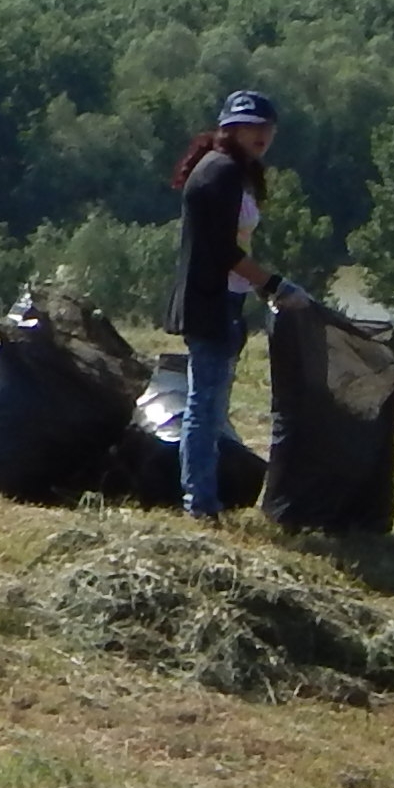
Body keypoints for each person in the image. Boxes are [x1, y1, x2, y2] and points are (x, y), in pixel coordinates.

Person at [168, 91, 306, 520]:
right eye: (250, 125)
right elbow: (222, 250)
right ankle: (200, 504)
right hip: (210, 301)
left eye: (266, 126)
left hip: (226, 297)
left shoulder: (234, 170)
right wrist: (273, 283)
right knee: (204, 407)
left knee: (211, 404)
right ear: (229, 127)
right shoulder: (220, 172)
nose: (260, 133)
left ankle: (204, 498)